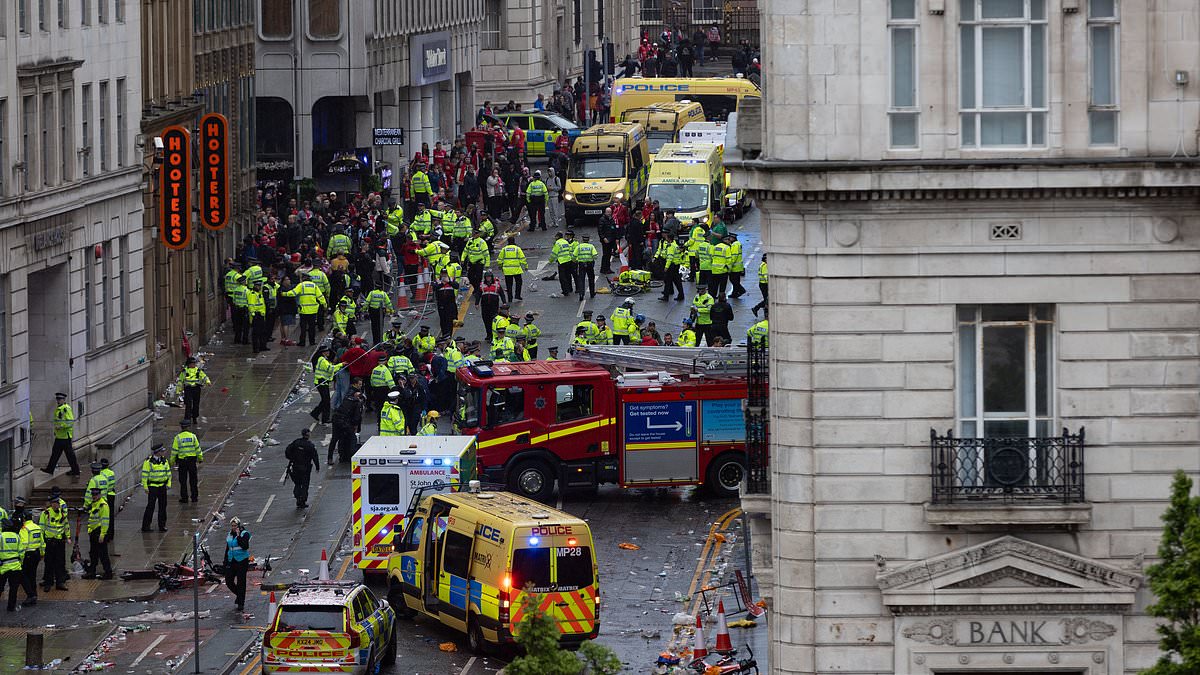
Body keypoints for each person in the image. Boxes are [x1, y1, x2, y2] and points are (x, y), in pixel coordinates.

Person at [282, 272, 328, 347]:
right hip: (313, 310)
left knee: (303, 327)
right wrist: (325, 305)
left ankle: (302, 342)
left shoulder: (301, 285)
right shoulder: (314, 286)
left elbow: (293, 293)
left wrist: (284, 294)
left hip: (303, 310)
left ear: (303, 278)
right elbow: (320, 296)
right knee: (312, 327)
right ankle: (312, 342)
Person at [43, 392, 80, 476]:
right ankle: (50, 469)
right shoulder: (59, 408)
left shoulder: (66, 409)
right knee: (55, 453)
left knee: (69, 455)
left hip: (65, 437)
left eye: (60, 399)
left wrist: (61, 427)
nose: (58, 401)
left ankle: (75, 471)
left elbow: (70, 422)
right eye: (57, 399)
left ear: (64, 400)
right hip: (60, 436)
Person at [39, 495, 69, 592]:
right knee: (49, 563)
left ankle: (60, 582)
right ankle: (48, 583)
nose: (57, 505)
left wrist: (68, 537)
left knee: (60, 563)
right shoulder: (46, 514)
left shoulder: (62, 514)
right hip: (49, 542)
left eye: (58, 503)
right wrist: (42, 542)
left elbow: (66, 526)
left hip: (59, 542)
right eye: (55, 503)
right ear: (52, 504)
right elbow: (42, 528)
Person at [285, 429, 321, 508]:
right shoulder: (310, 445)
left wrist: (292, 458)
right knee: (305, 484)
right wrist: (317, 466)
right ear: (308, 435)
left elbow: (287, 450)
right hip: (305, 468)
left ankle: (298, 497)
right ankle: (303, 500)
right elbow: (315, 456)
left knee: (297, 483)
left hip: (295, 467)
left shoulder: (296, 442)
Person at [81, 488, 112, 580]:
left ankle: (108, 572)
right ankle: (92, 572)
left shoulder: (103, 505)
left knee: (103, 554)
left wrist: (102, 534)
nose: (94, 497)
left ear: (99, 495)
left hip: (99, 532)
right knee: (93, 554)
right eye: (93, 495)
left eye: (96, 495)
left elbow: (105, 521)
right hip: (93, 532)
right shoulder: (94, 504)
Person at [140, 444, 172, 533]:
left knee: (163, 506)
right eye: (162, 451)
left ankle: (162, 525)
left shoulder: (164, 461)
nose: (164, 452)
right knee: (151, 506)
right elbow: (144, 475)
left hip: (162, 486)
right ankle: (146, 526)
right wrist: (145, 487)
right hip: (152, 487)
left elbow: (168, 473)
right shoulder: (148, 462)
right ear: (157, 452)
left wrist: (168, 484)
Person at [171, 420, 203, 503]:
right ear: (188, 427)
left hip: (182, 462)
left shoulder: (177, 438)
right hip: (192, 461)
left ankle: (184, 498)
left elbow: (174, 451)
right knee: (193, 480)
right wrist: (200, 458)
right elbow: (197, 449)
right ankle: (194, 497)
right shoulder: (193, 436)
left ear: (181, 427)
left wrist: (172, 461)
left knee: (183, 480)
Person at [224, 517, 252, 612]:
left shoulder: (245, 534)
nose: (233, 527)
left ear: (238, 526)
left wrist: (238, 536)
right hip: (231, 561)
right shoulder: (229, 535)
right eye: (232, 526)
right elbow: (228, 548)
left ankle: (241, 602)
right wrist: (225, 562)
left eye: (235, 526)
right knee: (228, 581)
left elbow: (245, 546)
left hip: (242, 561)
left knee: (241, 582)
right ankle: (239, 596)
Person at [311, 346, 343, 425]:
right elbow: (330, 369)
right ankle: (324, 418)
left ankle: (315, 413)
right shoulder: (322, 360)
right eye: (326, 351)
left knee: (325, 400)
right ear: (323, 352)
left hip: (322, 382)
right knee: (326, 401)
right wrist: (341, 364)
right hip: (321, 383)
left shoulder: (323, 359)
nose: (328, 352)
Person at [16, 512, 42, 607]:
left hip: (28, 554)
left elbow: (24, 544)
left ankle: (30, 595)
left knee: (23, 576)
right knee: (32, 575)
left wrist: (21, 559)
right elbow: (42, 542)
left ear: (24, 519)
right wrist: (42, 553)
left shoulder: (24, 528)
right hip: (37, 553)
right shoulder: (37, 527)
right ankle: (34, 595)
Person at [331, 389, 364, 465]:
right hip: (345, 423)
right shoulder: (357, 403)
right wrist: (355, 427)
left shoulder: (347, 398)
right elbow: (357, 417)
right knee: (352, 438)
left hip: (338, 421)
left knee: (339, 439)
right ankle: (350, 456)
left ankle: (341, 457)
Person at [176, 356, 212, 423]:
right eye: (192, 364)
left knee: (196, 403)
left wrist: (208, 382)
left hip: (196, 388)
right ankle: (187, 418)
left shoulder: (198, 370)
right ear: (188, 364)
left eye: (194, 364)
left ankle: (195, 416)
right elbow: (180, 381)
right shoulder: (184, 371)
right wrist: (178, 390)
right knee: (188, 404)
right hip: (188, 389)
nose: (193, 365)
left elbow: (204, 377)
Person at [0, 519, 22, 611]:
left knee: (0, 587)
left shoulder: (1, 537)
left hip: (3, 567)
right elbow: (21, 552)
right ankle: (11, 607)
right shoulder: (17, 536)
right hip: (16, 567)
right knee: (13, 589)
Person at [498, 236, 528, 301]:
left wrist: (500, 266)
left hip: (507, 271)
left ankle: (510, 297)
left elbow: (500, 259)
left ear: (508, 242)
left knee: (509, 284)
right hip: (516, 270)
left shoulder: (504, 249)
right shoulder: (517, 249)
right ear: (514, 241)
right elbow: (522, 258)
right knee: (519, 283)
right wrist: (526, 266)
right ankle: (517, 295)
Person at [574, 234, 598, 300]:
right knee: (591, 278)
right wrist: (591, 259)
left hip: (581, 264)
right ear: (588, 240)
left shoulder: (579, 246)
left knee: (581, 279)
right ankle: (592, 293)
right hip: (589, 264)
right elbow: (595, 256)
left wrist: (576, 261)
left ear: (582, 240)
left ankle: (581, 294)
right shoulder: (591, 246)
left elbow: (574, 256)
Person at [553, 231, 577, 297]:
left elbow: (554, 253)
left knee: (564, 277)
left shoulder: (558, 243)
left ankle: (567, 291)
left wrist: (551, 260)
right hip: (568, 260)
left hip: (564, 261)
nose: (555, 237)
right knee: (568, 276)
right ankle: (569, 289)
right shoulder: (565, 242)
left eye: (555, 236)